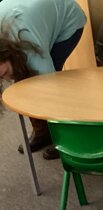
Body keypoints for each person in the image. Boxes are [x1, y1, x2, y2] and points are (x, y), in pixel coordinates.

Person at [0, 0, 87, 160]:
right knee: (23, 79)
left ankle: (67, 139)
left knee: (46, 84)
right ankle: (43, 133)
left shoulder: (27, 41)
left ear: (7, 53)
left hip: (67, 19)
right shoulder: (10, 46)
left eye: (5, 72)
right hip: (34, 16)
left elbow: (49, 85)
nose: (7, 79)